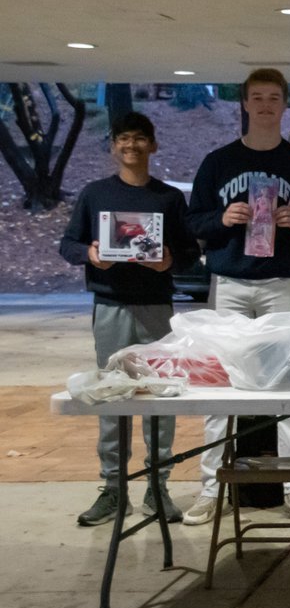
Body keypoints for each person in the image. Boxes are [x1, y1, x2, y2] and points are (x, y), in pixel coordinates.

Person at [183, 68, 290, 526]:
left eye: (273, 98)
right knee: (220, 383)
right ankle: (211, 489)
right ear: (244, 104)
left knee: (289, 381)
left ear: (285, 105)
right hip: (229, 282)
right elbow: (193, 222)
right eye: (257, 97)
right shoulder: (218, 162)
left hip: (280, 282)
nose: (266, 105)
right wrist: (222, 219)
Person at [59, 111, 200, 526]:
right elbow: (68, 244)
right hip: (110, 306)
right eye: (123, 138)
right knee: (110, 396)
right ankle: (113, 489)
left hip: (157, 307)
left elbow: (190, 253)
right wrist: (90, 254)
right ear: (113, 146)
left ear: (152, 145)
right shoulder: (95, 194)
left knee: (160, 396)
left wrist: (169, 261)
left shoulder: (167, 198)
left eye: (139, 138)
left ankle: (158, 486)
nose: (131, 145)